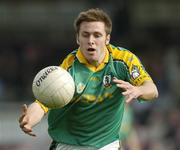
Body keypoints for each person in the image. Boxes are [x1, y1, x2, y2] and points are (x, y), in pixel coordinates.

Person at [19, 8, 158, 150]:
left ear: (107, 38)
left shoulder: (123, 60)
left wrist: (138, 90)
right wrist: (28, 120)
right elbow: (42, 104)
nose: (91, 41)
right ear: (78, 38)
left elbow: (152, 89)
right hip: (68, 145)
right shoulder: (67, 70)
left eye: (97, 35)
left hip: (107, 144)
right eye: (85, 35)